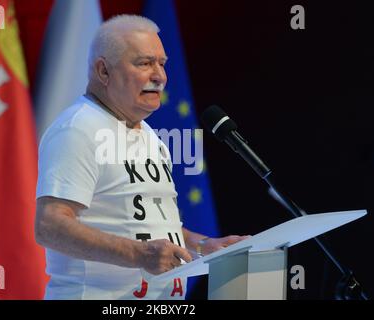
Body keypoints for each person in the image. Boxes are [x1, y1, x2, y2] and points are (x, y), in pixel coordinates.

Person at [35, 14, 248, 300]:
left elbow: (153, 227)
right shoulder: (78, 130)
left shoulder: (149, 135)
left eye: (162, 64)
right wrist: (139, 253)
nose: (160, 76)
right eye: (145, 63)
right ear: (103, 71)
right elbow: (50, 226)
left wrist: (203, 246)